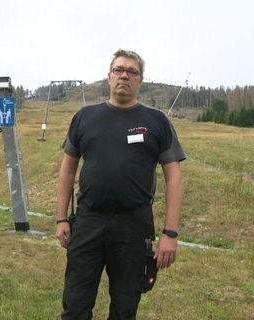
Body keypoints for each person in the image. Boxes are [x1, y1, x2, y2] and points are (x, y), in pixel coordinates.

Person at [55, 49, 186, 319]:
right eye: (119, 70)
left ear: (141, 80)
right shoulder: (85, 117)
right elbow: (67, 171)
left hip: (133, 224)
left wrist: (170, 234)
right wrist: (61, 220)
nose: (124, 75)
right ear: (108, 77)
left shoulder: (156, 121)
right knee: (75, 304)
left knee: (125, 307)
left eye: (132, 71)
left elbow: (174, 177)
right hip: (89, 220)